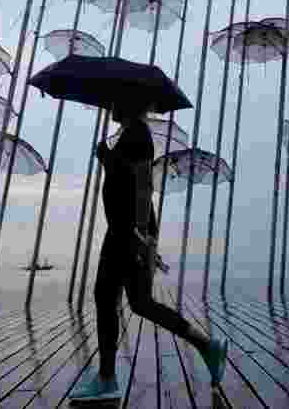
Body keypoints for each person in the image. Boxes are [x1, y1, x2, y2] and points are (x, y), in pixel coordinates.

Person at [69, 100, 227, 401]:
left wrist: (141, 236)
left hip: (126, 232)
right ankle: (206, 345)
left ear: (129, 102)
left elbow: (142, 186)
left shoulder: (137, 135)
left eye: (116, 101)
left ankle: (106, 378)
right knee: (139, 302)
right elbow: (128, 180)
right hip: (127, 230)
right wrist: (108, 159)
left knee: (107, 297)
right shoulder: (133, 134)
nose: (110, 106)